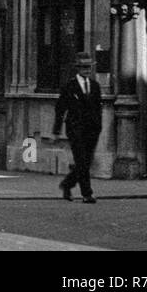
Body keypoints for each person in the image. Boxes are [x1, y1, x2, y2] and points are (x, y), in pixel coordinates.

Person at [54, 52, 103, 204]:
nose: (87, 70)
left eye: (89, 67)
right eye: (83, 67)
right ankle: (87, 194)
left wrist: (99, 126)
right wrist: (56, 130)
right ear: (78, 68)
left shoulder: (95, 86)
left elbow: (98, 108)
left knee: (86, 162)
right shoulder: (69, 86)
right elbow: (60, 108)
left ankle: (67, 184)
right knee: (81, 161)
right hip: (75, 129)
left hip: (92, 130)